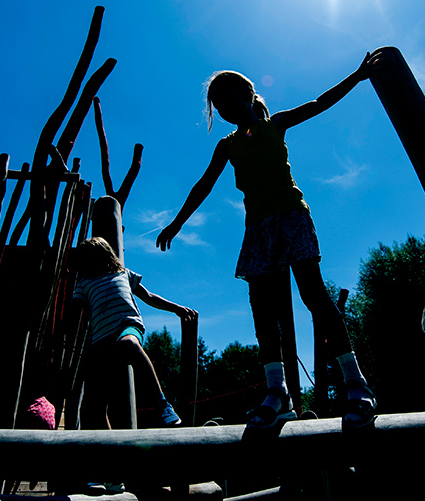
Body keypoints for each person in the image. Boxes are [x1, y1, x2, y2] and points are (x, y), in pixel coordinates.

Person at [156, 55, 378, 429]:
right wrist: (177, 223)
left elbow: (319, 103)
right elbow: (203, 186)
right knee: (262, 306)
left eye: (230, 100)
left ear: (248, 94)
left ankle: (356, 382)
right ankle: (278, 392)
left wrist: (356, 76)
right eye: (219, 107)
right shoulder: (227, 147)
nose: (226, 110)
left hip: (291, 217)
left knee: (314, 296)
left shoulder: (277, 125)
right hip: (258, 229)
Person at [71, 236, 195, 429]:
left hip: (127, 327)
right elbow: (75, 311)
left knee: (128, 344)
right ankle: (110, 443)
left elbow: (149, 296)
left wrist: (176, 308)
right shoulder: (84, 283)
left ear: (104, 256)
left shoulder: (123, 274)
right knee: (95, 405)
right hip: (101, 340)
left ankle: (162, 404)